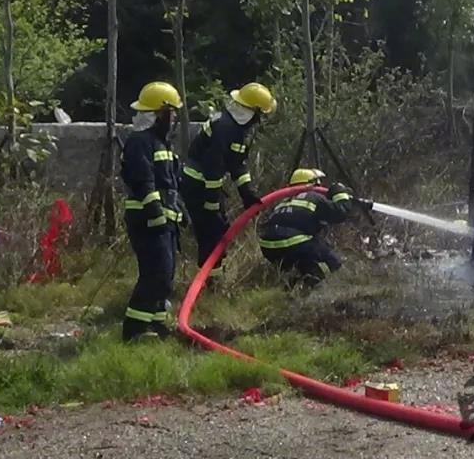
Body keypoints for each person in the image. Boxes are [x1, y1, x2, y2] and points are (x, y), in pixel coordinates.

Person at [181, 82, 276, 281]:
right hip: (197, 185)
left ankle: (213, 278)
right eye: (261, 114)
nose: (261, 120)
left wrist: (247, 192)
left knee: (218, 231)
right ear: (253, 111)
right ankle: (210, 282)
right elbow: (213, 167)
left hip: (206, 185)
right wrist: (211, 202)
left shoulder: (238, 129)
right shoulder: (225, 128)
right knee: (210, 233)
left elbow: (237, 164)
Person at [120, 81, 185, 342]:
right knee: (155, 275)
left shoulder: (161, 143)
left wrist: (179, 211)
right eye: (172, 113)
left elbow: (169, 184)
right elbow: (143, 180)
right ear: (161, 113)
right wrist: (157, 212)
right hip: (146, 221)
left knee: (166, 276)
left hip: (163, 222)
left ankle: (158, 324)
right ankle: (134, 330)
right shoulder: (139, 142)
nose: (174, 119)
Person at [258, 168, 373, 288]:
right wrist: (340, 194)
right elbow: (340, 213)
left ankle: (294, 288)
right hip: (294, 242)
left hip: (269, 248)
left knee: (304, 263)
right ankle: (324, 287)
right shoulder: (313, 197)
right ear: (312, 183)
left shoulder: (283, 201)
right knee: (332, 264)